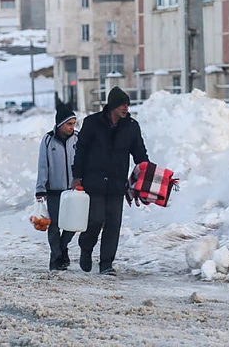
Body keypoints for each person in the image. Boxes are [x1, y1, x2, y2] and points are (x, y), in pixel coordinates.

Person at [72, 86, 149, 275]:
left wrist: (147, 171)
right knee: (96, 220)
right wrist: (77, 176)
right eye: (122, 105)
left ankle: (106, 264)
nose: (126, 108)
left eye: (127, 105)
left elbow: (139, 152)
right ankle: (86, 247)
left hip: (116, 183)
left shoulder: (131, 126)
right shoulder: (92, 123)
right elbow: (80, 151)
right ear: (112, 105)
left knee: (113, 224)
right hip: (94, 181)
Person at [35, 98, 78, 271]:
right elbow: (42, 165)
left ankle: (62, 248)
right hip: (54, 190)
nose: (72, 127)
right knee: (53, 226)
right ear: (60, 124)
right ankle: (56, 259)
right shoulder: (48, 140)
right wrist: (40, 188)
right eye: (69, 124)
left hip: (73, 191)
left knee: (72, 224)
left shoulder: (78, 139)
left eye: (74, 123)